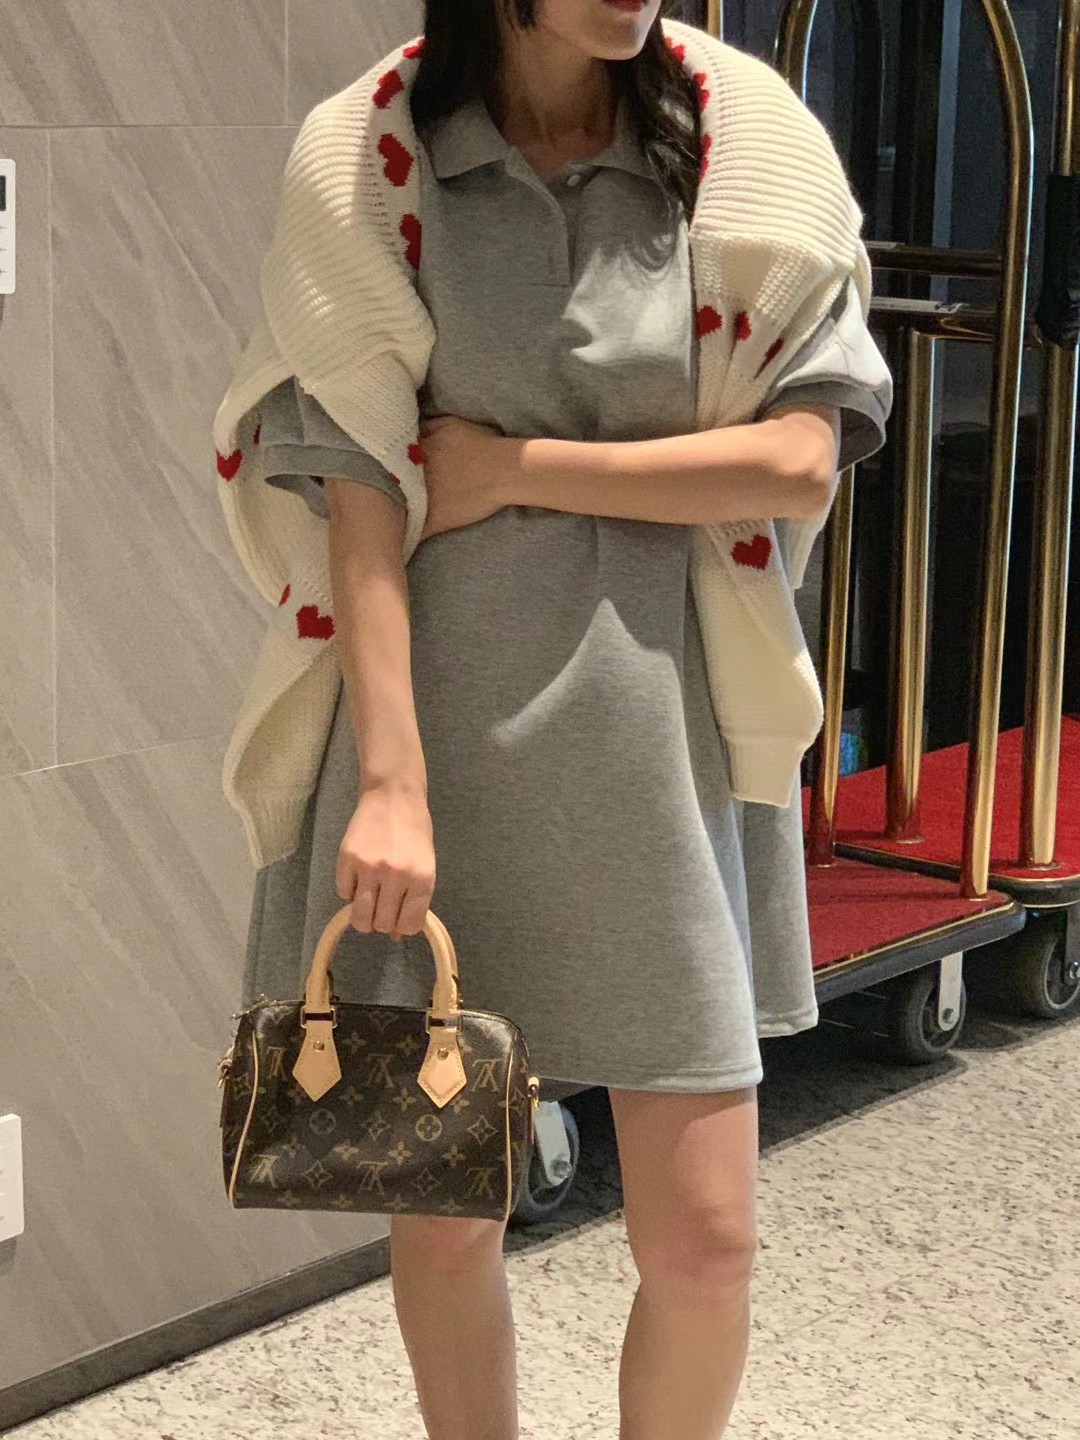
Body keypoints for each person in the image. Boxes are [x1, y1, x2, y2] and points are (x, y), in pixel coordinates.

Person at [234, 2, 892, 1436]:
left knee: (708, 1241)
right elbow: (360, 497)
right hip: (438, 741)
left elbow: (799, 458)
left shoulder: (740, 144)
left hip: (666, 747)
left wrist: (515, 466)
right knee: (442, 1222)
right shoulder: (367, 157)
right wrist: (391, 782)